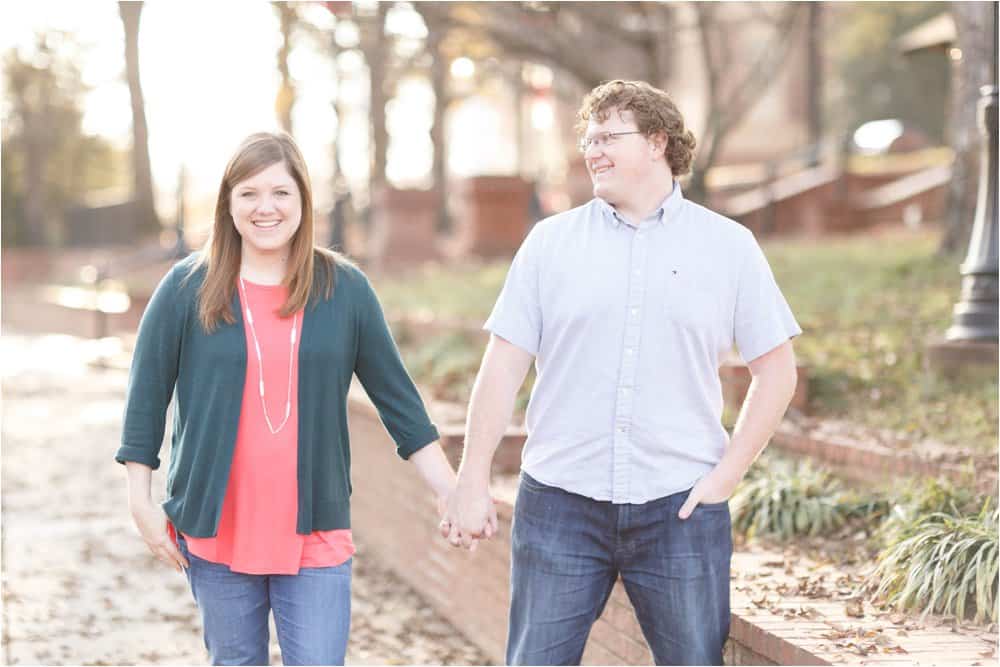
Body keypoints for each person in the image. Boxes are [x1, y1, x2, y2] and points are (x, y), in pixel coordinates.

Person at [441, 80, 802, 666]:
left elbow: (777, 371)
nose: (592, 150)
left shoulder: (729, 247)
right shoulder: (549, 244)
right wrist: (471, 478)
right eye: (588, 138)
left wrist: (727, 476)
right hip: (560, 502)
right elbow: (502, 367)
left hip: (679, 509)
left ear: (658, 141)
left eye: (608, 136)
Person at [117, 131, 463, 666]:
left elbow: (399, 402)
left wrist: (449, 489)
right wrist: (140, 500)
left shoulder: (344, 289)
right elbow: (145, 398)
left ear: (303, 200)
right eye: (249, 193)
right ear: (227, 204)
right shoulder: (187, 288)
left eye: (281, 192)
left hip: (315, 524)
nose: (265, 208)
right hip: (217, 523)